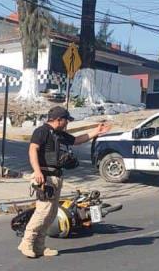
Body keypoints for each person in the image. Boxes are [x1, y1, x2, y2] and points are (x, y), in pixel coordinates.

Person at [18, 106, 111, 259]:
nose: (67, 123)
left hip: (56, 177)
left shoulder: (59, 134)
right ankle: (27, 242)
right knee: (43, 211)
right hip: (45, 177)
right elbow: (32, 150)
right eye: (66, 120)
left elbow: (76, 140)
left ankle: (39, 245)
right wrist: (37, 171)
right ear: (58, 119)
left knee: (52, 213)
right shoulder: (42, 132)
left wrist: (97, 131)